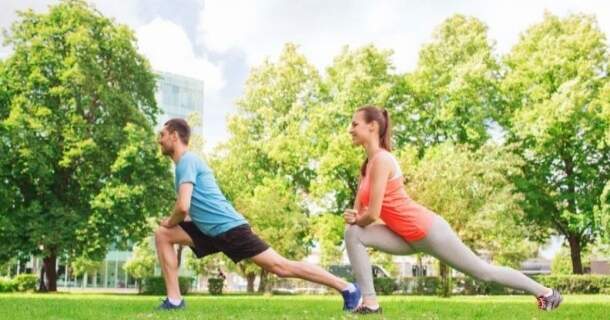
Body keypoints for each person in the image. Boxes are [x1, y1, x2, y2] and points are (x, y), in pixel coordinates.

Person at [343, 105, 562, 314]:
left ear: (372, 126)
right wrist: (353, 217)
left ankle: (547, 293)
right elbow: (360, 214)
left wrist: (358, 219)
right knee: (353, 233)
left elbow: (371, 214)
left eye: (355, 124)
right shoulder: (366, 166)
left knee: (483, 273)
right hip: (403, 235)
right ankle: (370, 303)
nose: (350, 130)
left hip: (428, 230)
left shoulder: (382, 160)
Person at [154, 118, 361, 310]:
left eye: (162, 135)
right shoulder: (183, 165)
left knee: (280, 267)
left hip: (229, 229)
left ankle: (347, 287)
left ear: (174, 135)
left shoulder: (188, 161)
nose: (159, 140)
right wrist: (171, 225)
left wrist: (169, 221)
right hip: (209, 231)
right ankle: (175, 300)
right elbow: (193, 208)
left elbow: (182, 207)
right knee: (164, 235)